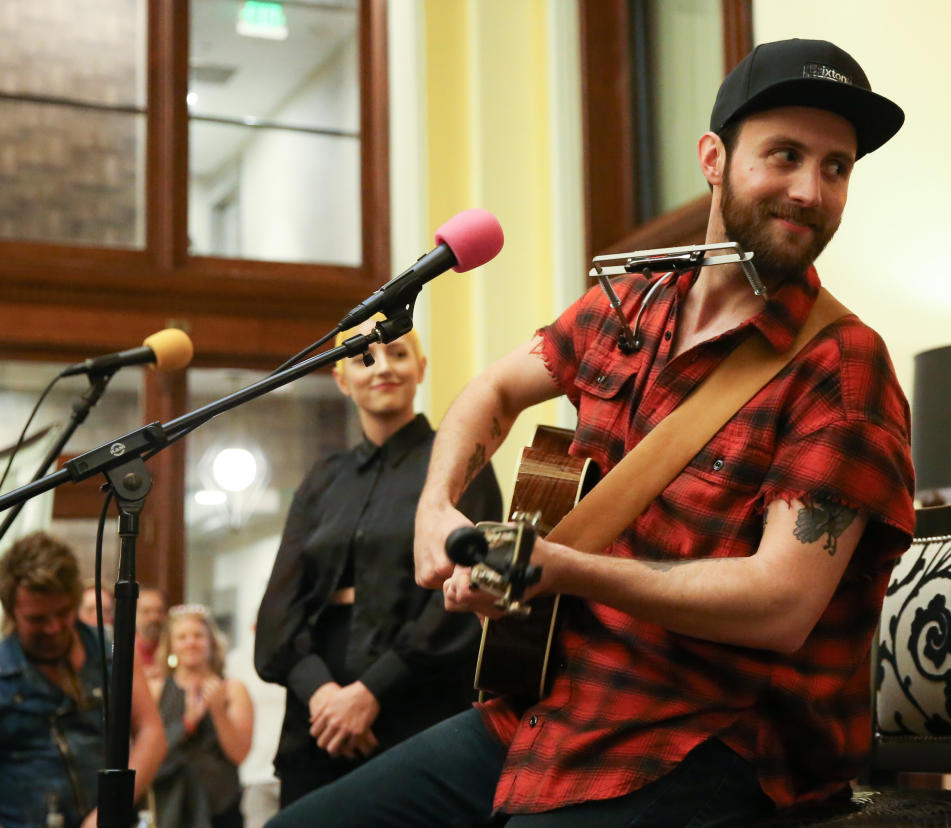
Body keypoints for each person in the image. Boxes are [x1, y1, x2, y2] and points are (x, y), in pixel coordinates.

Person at [269, 38, 916, 827]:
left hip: (721, 741)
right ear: (714, 158)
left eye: (836, 166)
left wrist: (566, 570)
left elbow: (781, 602)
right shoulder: (629, 307)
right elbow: (495, 391)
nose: (811, 190)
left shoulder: (843, 367)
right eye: (783, 155)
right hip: (546, 706)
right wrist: (436, 508)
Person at [255, 319, 504, 807]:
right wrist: (325, 696)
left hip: (420, 714)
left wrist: (369, 693)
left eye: (397, 354)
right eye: (362, 358)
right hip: (318, 724)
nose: (382, 367)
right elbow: (277, 613)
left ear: (421, 369)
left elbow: (472, 590)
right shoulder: (323, 479)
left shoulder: (459, 462)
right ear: (342, 380)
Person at [0, 531, 167, 828]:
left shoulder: (112, 649)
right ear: (12, 610)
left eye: (63, 613)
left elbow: (151, 733)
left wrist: (107, 812)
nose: (53, 628)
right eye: (37, 619)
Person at [152, 603, 254, 828]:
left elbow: (239, 753)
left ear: (211, 641)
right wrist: (187, 723)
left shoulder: (233, 689)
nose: (191, 643)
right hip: (170, 807)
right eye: (182, 637)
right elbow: (147, 752)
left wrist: (218, 712)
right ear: (171, 645)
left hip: (221, 807)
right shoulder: (157, 689)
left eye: (198, 636)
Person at [135, 586, 168, 686]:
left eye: (159, 611)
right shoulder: (123, 650)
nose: (154, 617)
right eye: (146, 611)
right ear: (135, 615)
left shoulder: (177, 649)